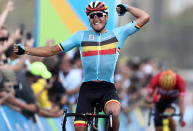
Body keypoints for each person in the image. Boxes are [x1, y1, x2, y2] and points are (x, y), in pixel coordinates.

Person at [14, 1, 150, 131]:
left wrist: (126, 7)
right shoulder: (80, 36)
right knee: (79, 128)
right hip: (87, 89)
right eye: (92, 16)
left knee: (114, 115)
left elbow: (145, 17)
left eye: (99, 14)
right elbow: (52, 50)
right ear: (89, 19)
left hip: (107, 88)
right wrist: (25, 50)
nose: (96, 18)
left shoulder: (117, 34)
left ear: (106, 16)